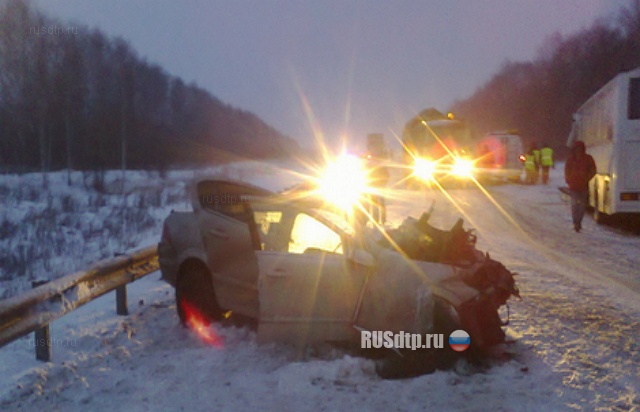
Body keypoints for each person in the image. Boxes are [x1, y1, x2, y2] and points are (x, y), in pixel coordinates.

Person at [564, 141, 596, 232]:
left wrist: (587, 178)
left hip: (583, 186)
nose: (578, 151)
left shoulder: (588, 158)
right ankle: (576, 223)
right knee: (574, 205)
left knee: (582, 207)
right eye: (577, 149)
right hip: (573, 186)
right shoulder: (570, 159)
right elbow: (567, 170)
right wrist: (568, 179)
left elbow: (593, 170)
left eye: (580, 149)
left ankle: (578, 222)